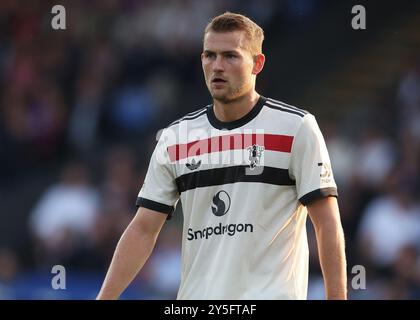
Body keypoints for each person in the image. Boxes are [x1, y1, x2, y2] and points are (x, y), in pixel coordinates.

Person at [97, 12, 347, 300]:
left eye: (230, 56)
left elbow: (326, 222)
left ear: (257, 63)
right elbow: (143, 229)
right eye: (209, 55)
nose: (217, 66)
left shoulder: (296, 128)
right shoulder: (176, 137)